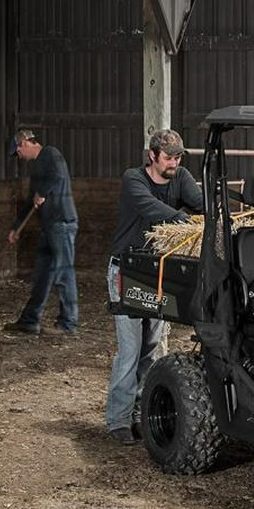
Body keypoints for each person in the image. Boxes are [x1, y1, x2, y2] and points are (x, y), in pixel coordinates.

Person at [105, 129, 204, 445]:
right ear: (152, 155)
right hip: (128, 269)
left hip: (160, 272)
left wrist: (221, 210)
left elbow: (200, 202)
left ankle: (140, 413)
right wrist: (186, 223)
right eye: (169, 157)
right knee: (130, 350)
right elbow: (151, 208)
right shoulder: (133, 179)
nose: (174, 162)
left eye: (178, 157)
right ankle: (118, 420)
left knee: (152, 348)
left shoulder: (182, 176)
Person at [3, 128, 79, 336]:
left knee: (64, 273)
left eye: (18, 152)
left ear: (25, 143)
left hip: (62, 222)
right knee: (43, 274)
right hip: (49, 226)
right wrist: (16, 227)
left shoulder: (51, 155)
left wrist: (43, 192)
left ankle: (68, 323)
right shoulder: (37, 166)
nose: (20, 157)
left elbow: (57, 176)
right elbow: (31, 199)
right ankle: (30, 320)